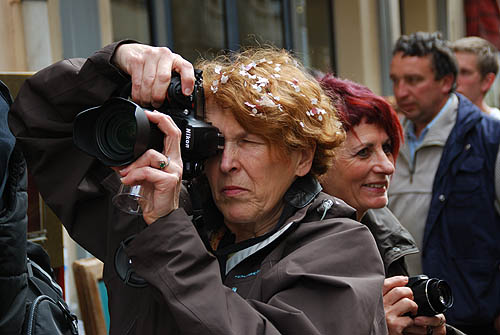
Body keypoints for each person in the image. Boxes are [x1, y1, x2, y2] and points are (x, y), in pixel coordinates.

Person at [9, 42, 388, 334]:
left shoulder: (342, 249)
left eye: (250, 142)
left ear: (302, 158)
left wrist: (167, 234)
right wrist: (118, 65)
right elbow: (39, 119)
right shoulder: (158, 210)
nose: (226, 164)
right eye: (216, 142)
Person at [318, 75, 467, 335]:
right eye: (363, 152)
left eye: (387, 148)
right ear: (317, 162)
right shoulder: (291, 251)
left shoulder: (383, 233)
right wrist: (375, 327)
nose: (387, 166)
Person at [388, 31, 500, 334]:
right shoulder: (384, 140)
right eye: (395, 80)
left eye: (413, 80)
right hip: (404, 314)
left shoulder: (490, 137)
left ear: (446, 81)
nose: (401, 91)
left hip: (469, 316)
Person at [451, 36, 500, 118]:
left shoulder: (496, 126)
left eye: (465, 73)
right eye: (452, 71)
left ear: (487, 81)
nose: (453, 80)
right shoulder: (435, 123)